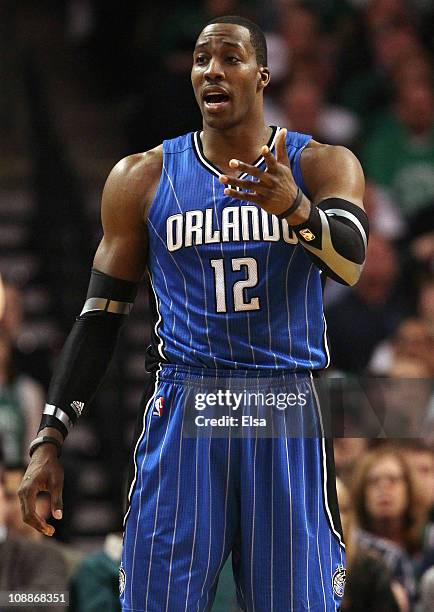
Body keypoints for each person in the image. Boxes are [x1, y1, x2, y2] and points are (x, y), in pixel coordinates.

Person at [18, 15, 368, 611]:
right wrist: (48, 437)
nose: (212, 69)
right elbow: (99, 317)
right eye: (202, 58)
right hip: (188, 404)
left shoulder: (322, 164)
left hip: (280, 404)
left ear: (262, 75)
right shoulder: (142, 178)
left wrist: (298, 210)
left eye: (230, 58)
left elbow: (351, 262)